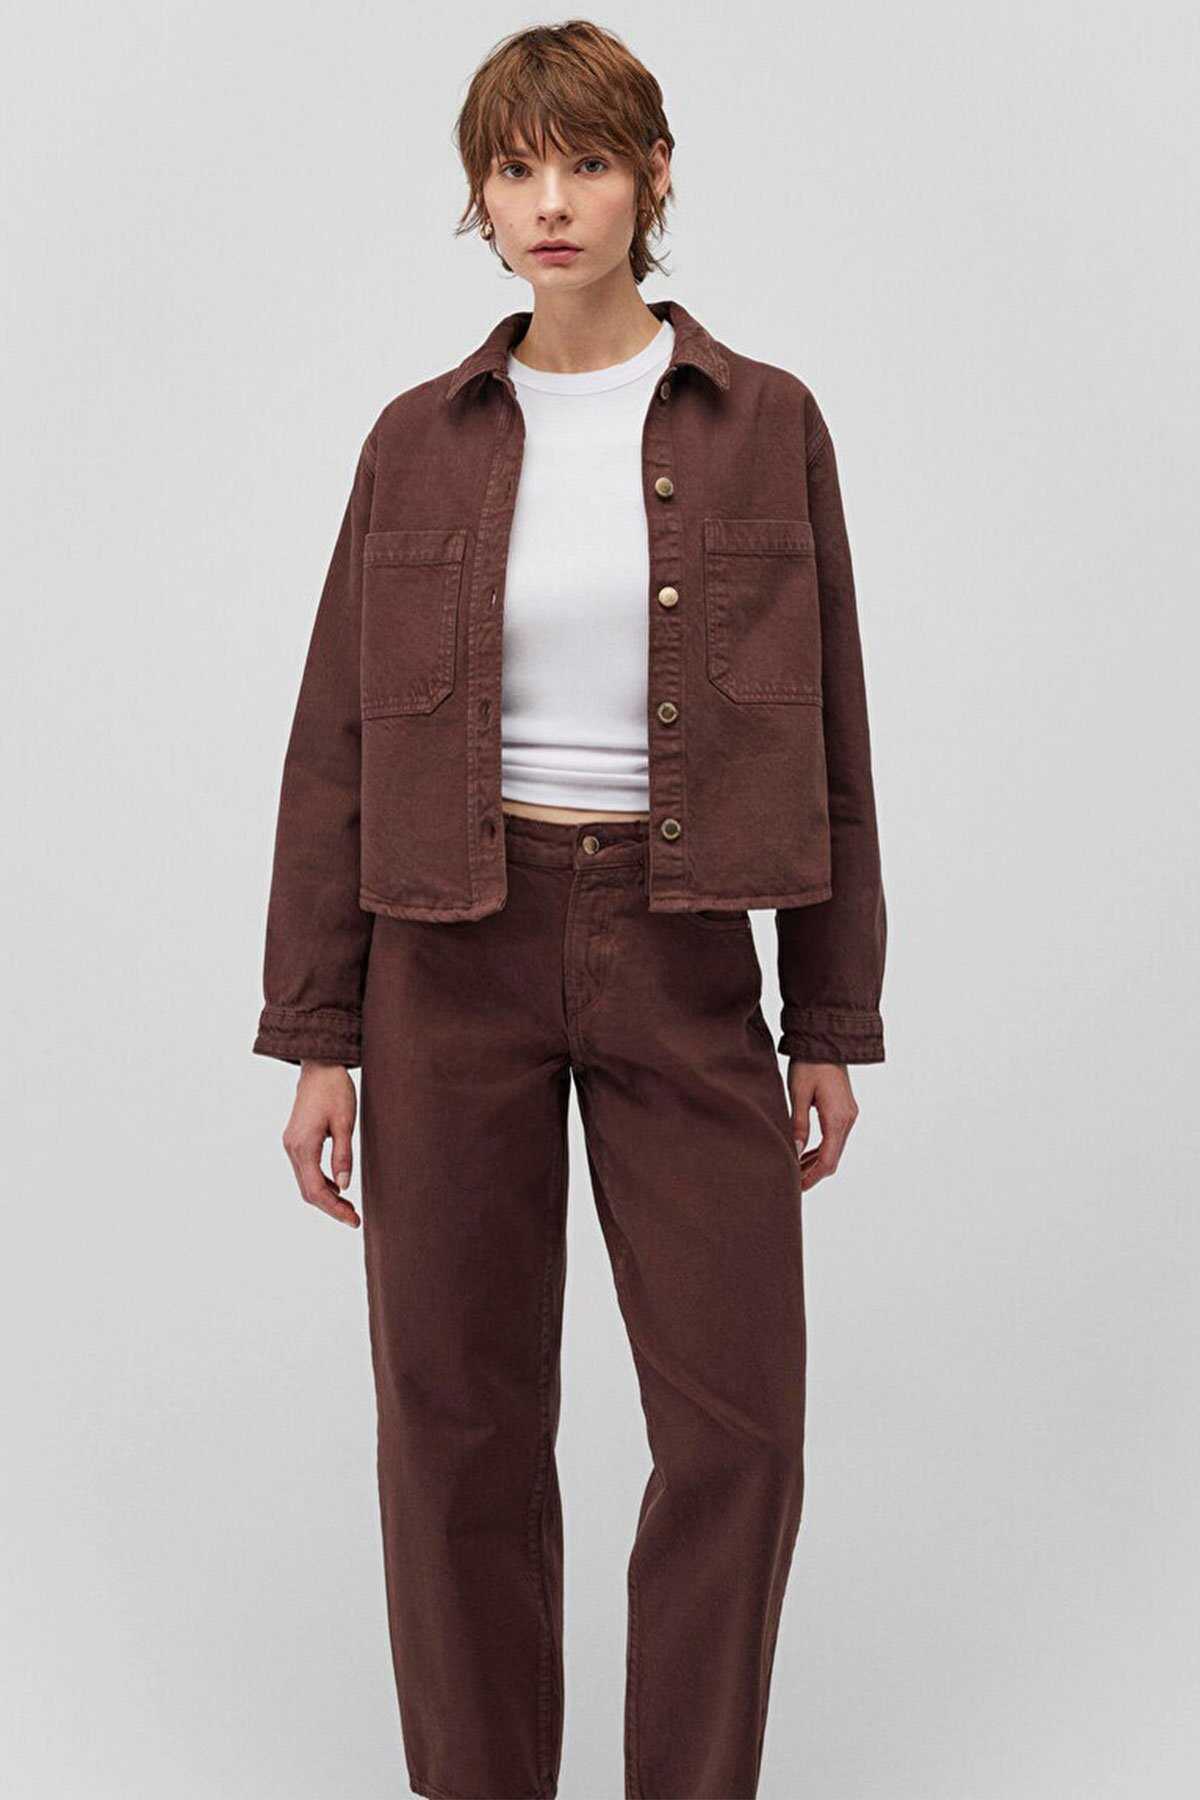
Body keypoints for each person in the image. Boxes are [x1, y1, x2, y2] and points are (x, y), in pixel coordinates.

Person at [252, 19, 886, 1800]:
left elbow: (833, 727)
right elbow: (335, 743)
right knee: (455, 1431)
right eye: (516, 168)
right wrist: (318, 1036)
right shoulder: (415, 442)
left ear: (651, 178)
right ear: (480, 194)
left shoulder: (768, 424)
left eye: (587, 163)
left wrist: (830, 1016)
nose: (550, 202)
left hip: (689, 954)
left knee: (740, 1431)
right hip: (447, 957)